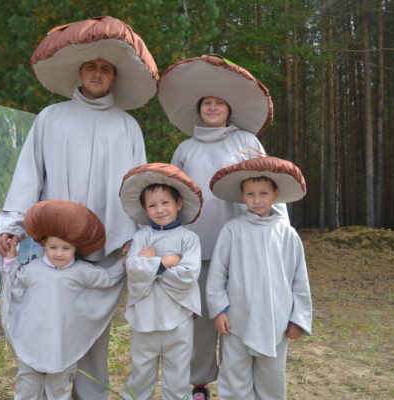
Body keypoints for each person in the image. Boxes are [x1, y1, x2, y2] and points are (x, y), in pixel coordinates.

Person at [0, 16, 158, 400]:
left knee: (94, 327)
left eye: (106, 68)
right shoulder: (50, 118)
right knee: (51, 320)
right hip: (58, 246)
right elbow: (28, 175)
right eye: (91, 66)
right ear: (79, 72)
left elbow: (136, 187)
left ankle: (89, 394)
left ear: (114, 77)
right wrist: (13, 227)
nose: (98, 73)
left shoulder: (127, 126)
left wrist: (132, 237)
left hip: (107, 247)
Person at [158, 54, 289, 400]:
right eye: (207, 103)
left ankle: (242, 381)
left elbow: (268, 183)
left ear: (229, 109)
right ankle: (199, 382)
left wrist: (280, 231)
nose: (213, 108)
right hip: (197, 247)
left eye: (219, 103)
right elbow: (173, 196)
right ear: (199, 109)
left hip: (241, 246)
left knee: (238, 315)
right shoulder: (184, 149)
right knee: (201, 319)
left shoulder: (246, 143)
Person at [206, 156, 313, 399]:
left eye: (263, 193)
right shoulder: (232, 231)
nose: (256, 200)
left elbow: (299, 280)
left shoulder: (287, 235)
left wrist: (298, 318)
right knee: (234, 376)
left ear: (275, 195)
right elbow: (217, 275)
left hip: (276, 319)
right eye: (250, 194)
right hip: (237, 319)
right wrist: (219, 310)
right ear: (242, 196)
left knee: (271, 379)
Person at [0, 200, 126, 400]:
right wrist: (11, 258)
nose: (59, 253)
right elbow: (13, 283)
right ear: (44, 244)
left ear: (76, 248)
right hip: (33, 338)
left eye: (66, 248)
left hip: (63, 341)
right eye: (53, 247)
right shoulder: (32, 270)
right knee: (27, 382)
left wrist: (123, 263)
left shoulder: (82, 272)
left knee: (59, 385)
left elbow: (107, 279)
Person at [118, 163, 203, 400]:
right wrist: (165, 261)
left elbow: (188, 275)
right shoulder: (141, 236)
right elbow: (133, 268)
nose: (160, 209)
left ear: (178, 204)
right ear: (145, 210)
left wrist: (152, 265)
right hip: (146, 315)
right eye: (152, 205)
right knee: (141, 369)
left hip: (179, 315)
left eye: (165, 202)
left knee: (177, 371)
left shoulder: (189, 239)